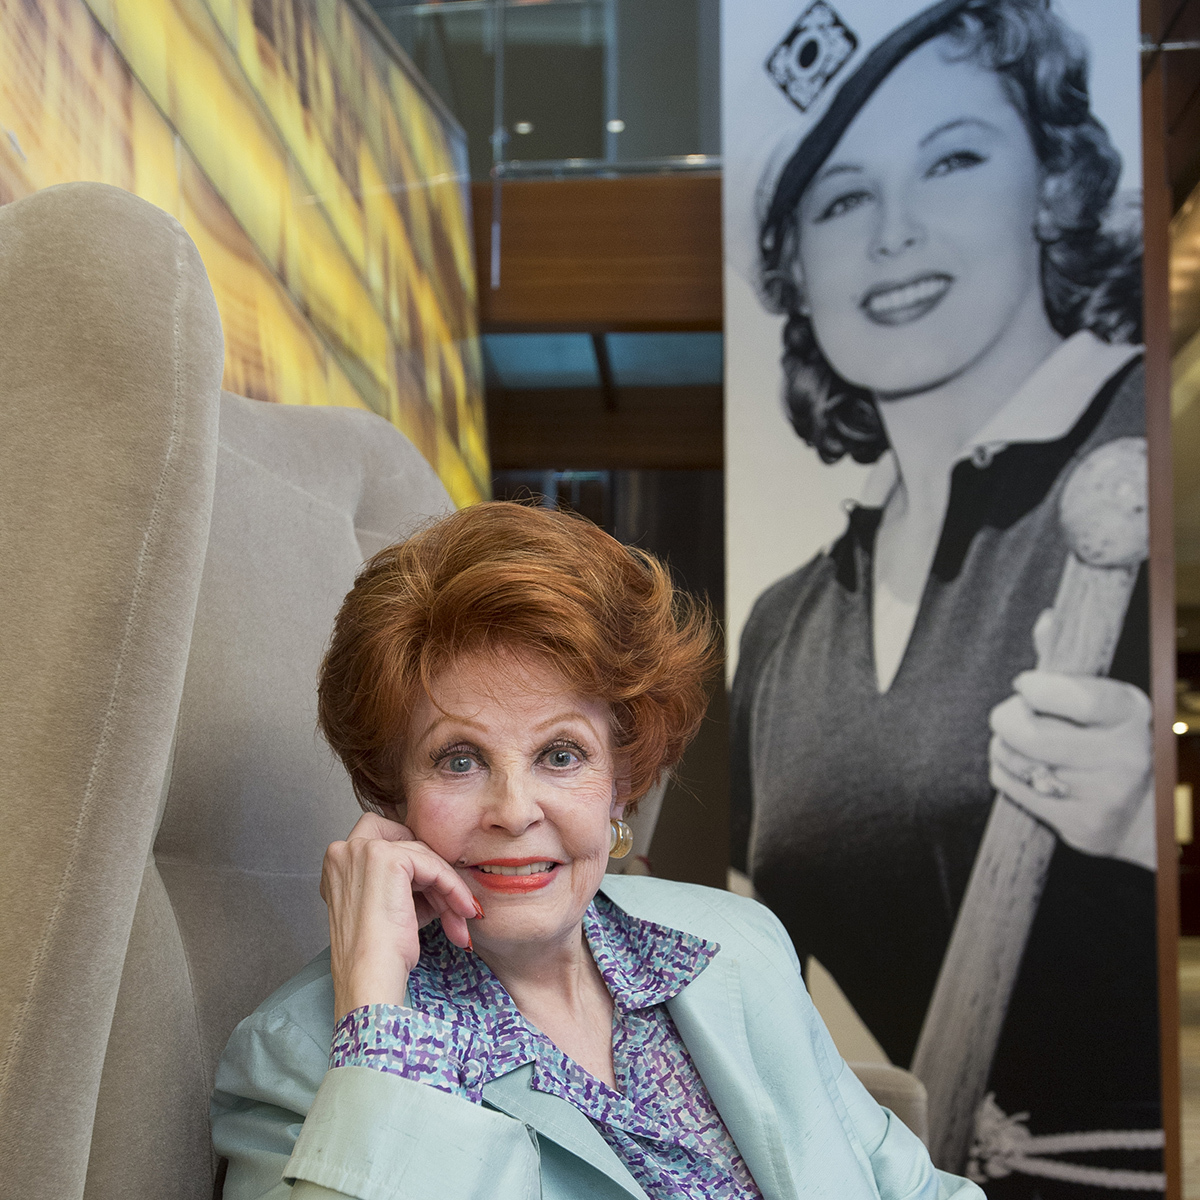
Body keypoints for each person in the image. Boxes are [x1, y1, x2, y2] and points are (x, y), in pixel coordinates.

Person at [210, 501, 981, 1200]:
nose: (513, 811)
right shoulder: (304, 1058)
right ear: (391, 794)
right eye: (458, 759)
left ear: (620, 783)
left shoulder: (734, 941)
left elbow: (917, 1191)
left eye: (561, 755)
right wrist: (380, 1026)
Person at [731, 0, 1161, 1193]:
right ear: (795, 265)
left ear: (1052, 185)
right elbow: (764, 973)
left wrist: (1151, 824)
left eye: (955, 158)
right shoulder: (784, 624)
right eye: (841, 197)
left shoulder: (1158, 452)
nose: (894, 233)